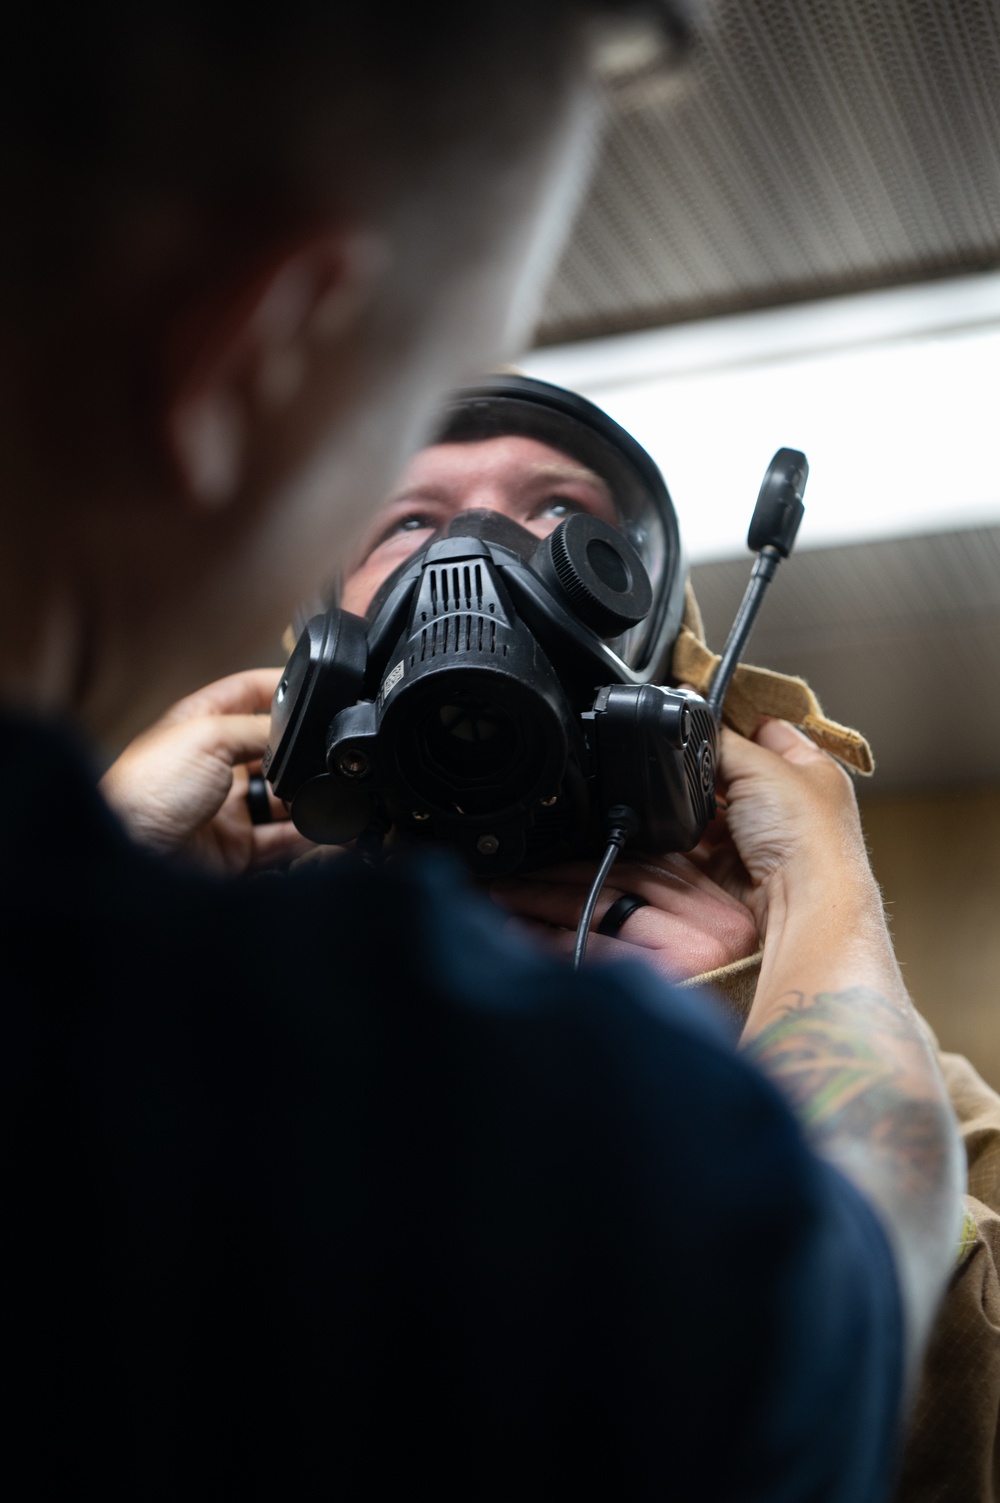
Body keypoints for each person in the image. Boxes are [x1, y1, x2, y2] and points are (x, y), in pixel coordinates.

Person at [0, 2, 964, 1496]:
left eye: (567, 533)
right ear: (251, 356)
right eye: (402, 505)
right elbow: (848, 1276)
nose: (483, 561)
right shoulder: (499, 1116)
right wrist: (832, 935)